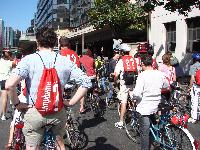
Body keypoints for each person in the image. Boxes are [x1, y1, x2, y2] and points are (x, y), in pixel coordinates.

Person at [5, 27, 91, 150]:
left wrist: (17, 104)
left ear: (37, 42)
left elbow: (9, 85)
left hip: (34, 111)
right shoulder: (65, 61)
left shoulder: (28, 60)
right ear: (55, 43)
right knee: (60, 143)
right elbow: (86, 82)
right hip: (57, 111)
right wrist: (71, 102)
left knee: (32, 146)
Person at [132, 55, 168, 150]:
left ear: (143, 64)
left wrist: (133, 96)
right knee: (156, 123)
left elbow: (137, 93)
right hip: (156, 104)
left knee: (144, 133)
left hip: (145, 107)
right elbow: (166, 85)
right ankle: (158, 140)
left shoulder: (142, 75)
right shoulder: (159, 74)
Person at [114, 43, 137, 129]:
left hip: (124, 84)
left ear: (122, 52)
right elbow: (137, 72)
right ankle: (135, 116)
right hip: (133, 83)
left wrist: (115, 82)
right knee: (134, 100)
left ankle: (121, 122)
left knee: (123, 102)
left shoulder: (121, 60)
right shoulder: (133, 59)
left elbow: (116, 74)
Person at [0, 50, 15, 120]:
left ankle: (3, 115)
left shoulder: (1, 61)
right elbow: (15, 66)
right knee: (13, 95)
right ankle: (14, 109)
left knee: (4, 98)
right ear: (10, 55)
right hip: (9, 80)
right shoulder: (11, 62)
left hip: (2, 81)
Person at [188, 53, 200, 123]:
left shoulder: (193, 66)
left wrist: (190, 86)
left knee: (194, 101)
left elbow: (192, 79)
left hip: (196, 86)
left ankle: (193, 118)